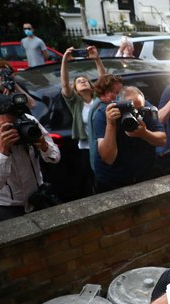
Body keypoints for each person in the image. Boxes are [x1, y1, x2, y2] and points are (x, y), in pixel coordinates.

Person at [0, 94, 60, 221]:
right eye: (8, 126)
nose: (15, 128)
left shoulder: (28, 121)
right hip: (7, 205)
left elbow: (55, 157)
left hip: (37, 196)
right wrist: (2, 149)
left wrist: (44, 147)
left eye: (15, 122)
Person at [92, 86, 166, 193]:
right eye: (130, 109)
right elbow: (108, 158)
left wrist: (144, 133)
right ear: (119, 105)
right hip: (112, 180)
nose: (136, 114)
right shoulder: (104, 114)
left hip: (143, 175)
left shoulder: (146, 109)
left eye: (139, 109)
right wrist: (111, 125)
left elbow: (162, 140)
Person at [60, 45, 106, 198]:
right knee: (89, 179)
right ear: (76, 89)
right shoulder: (75, 102)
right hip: (86, 147)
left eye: (85, 80)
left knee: (104, 176)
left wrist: (97, 59)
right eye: (79, 81)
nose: (83, 82)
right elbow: (65, 84)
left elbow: (104, 79)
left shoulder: (98, 100)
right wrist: (65, 61)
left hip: (103, 144)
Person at [87, 74, 123, 174]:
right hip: (107, 168)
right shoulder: (103, 110)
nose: (121, 96)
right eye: (117, 92)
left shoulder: (97, 104)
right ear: (107, 93)